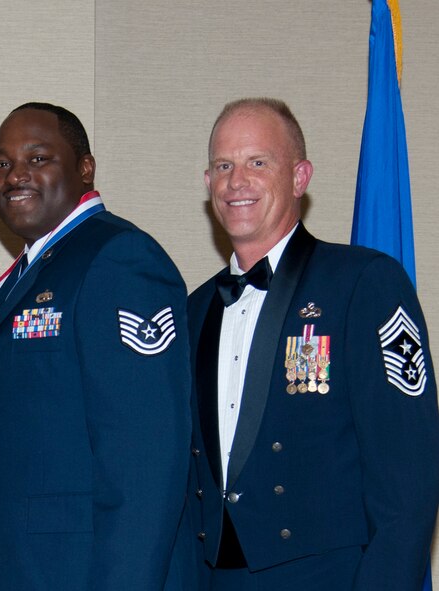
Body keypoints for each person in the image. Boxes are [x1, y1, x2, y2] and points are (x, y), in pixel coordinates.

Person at [188, 97, 439, 590]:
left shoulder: (364, 284)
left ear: (300, 177)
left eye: (258, 162)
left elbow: (408, 476)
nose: (237, 181)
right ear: (208, 183)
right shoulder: (196, 310)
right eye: (224, 165)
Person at [0, 102, 195, 589]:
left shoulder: (118, 258)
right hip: (25, 566)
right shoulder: (38, 271)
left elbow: (145, 461)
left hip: (81, 572)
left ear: (85, 168)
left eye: (38, 158)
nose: (16, 175)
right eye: (2, 163)